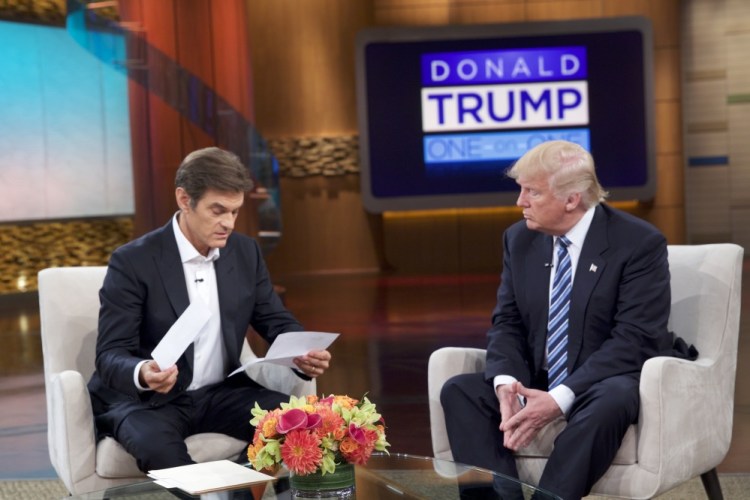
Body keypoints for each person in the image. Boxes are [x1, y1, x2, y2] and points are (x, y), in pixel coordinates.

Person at [440, 140, 676, 499]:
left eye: (532, 192)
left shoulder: (637, 243)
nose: (520, 202)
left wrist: (560, 397)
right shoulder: (519, 240)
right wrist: (506, 384)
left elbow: (635, 339)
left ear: (572, 199)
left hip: (604, 380)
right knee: (461, 391)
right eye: (521, 189)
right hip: (539, 376)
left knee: (611, 401)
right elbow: (508, 322)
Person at [87, 146, 331, 473]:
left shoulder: (245, 253)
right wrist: (144, 371)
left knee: (301, 422)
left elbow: (275, 321)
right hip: (148, 402)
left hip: (222, 393)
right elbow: (110, 353)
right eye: (218, 210)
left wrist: (303, 353)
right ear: (184, 200)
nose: (228, 223)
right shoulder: (133, 261)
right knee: (157, 448)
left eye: (234, 211)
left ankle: (242, 497)